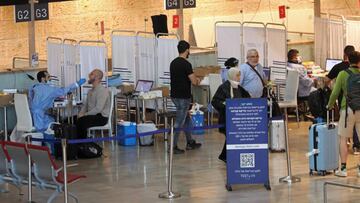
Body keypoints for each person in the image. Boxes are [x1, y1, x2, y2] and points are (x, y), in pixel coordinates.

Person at [327, 51, 360, 177]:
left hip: (347, 111)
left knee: (343, 139)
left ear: (347, 59)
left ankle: (344, 169)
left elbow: (335, 93)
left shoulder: (342, 74)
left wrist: (329, 105)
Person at [211, 68, 250, 163]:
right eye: (237, 75)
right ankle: (225, 156)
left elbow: (248, 98)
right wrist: (226, 105)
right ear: (232, 75)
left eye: (239, 75)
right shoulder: (223, 87)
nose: (239, 77)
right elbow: (215, 101)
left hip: (238, 119)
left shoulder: (239, 88)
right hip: (227, 118)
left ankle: (225, 156)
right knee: (231, 137)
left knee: (232, 138)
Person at [170, 40, 202, 154]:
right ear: (187, 50)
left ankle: (190, 142)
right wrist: (198, 80)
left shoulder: (173, 63)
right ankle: (172, 147)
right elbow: (194, 81)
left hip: (174, 95)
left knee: (186, 118)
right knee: (179, 121)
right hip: (183, 96)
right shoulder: (186, 64)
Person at [76, 69, 111, 139]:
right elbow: (85, 105)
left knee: (81, 121)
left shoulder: (102, 91)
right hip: (92, 115)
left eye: (91, 74)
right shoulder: (90, 91)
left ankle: (82, 144)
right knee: (71, 120)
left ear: (97, 77)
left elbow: (98, 109)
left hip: (101, 117)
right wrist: (80, 113)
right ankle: (72, 144)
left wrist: (84, 115)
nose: (89, 76)